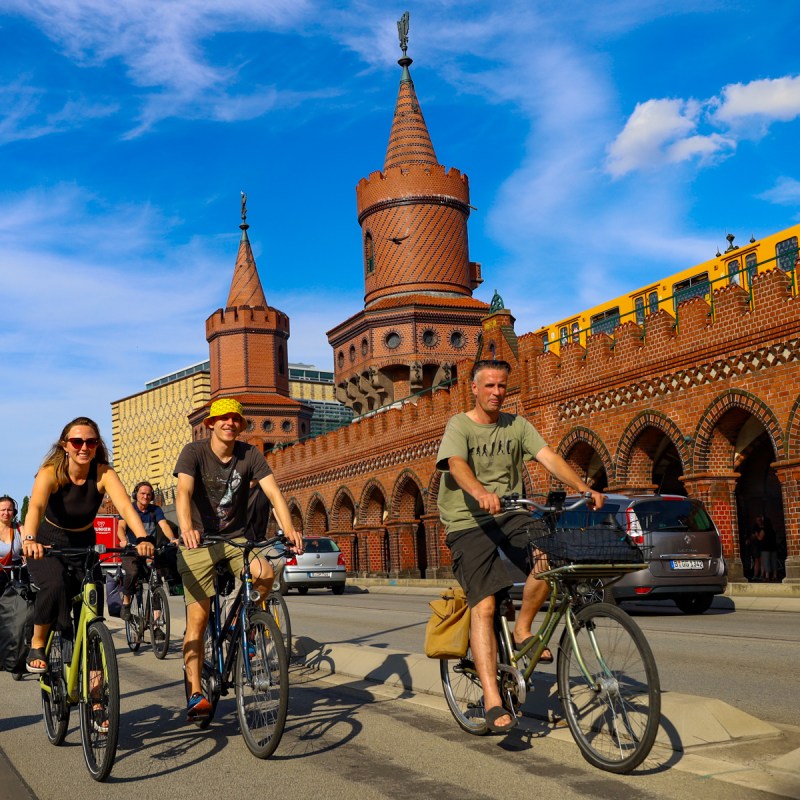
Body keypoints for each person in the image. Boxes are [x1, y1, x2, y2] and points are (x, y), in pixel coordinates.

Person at [436, 360, 605, 734]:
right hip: (468, 521)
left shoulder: (518, 426)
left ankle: (522, 629)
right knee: (484, 604)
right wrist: (479, 492)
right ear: (475, 389)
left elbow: (549, 457)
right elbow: (456, 463)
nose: (497, 392)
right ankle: (494, 700)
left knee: (549, 556)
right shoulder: (459, 426)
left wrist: (583, 487)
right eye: (490, 386)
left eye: (502, 386)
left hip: (511, 511)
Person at [174, 398, 303, 720]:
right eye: (223, 418)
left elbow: (274, 493)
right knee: (198, 620)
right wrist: (187, 528)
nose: (229, 423)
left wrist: (289, 529)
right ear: (212, 424)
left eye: (235, 419)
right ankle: (195, 692)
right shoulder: (194, 453)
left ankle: (240, 625)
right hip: (199, 542)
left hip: (235, 539)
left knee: (264, 572)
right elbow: (183, 493)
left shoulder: (250, 454)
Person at [21, 417, 154, 674]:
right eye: (77, 441)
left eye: (90, 442)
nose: (84, 447)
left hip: (85, 546)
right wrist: (29, 539)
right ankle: (38, 643)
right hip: (48, 545)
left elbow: (125, 506)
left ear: (97, 445)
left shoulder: (104, 473)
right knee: (55, 584)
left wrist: (143, 538)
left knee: (92, 613)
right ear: (65, 445)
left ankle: (96, 697)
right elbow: (35, 507)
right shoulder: (51, 471)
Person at [117, 481, 179, 620]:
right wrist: (123, 541)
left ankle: (156, 623)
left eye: (148, 494)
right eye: (142, 493)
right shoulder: (129, 509)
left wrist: (172, 539)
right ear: (135, 494)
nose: (145, 496)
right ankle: (126, 603)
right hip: (131, 550)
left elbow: (164, 525)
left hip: (150, 552)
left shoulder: (155, 510)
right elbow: (121, 527)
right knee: (132, 572)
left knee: (156, 581)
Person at [0, 495, 23, 591]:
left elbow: (28, 543)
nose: (6, 513)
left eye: (9, 510)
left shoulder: (20, 528)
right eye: (3, 510)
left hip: (18, 572)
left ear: (14, 512)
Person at [756, 515, 778, 582]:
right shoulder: (772, 529)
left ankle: (767, 576)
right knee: (774, 562)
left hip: (765, 548)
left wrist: (757, 534)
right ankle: (775, 576)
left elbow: (760, 538)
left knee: (766, 562)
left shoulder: (763, 530)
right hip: (773, 548)